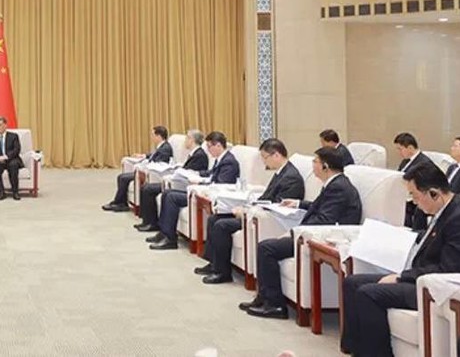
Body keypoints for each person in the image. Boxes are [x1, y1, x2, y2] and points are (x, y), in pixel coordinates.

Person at [340, 164, 460, 356]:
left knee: (368, 293)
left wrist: (401, 277)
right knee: (352, 282)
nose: (413, 202)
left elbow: (447, 270)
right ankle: (355, 349)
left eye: (414, 195)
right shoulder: (445, 211)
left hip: (440, 288)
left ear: (434, 193)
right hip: (423, 277)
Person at [242, 147, 363, 319]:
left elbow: (324, 220)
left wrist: (294, 233)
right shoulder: (335, 184)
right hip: (313, 233)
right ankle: (263, 298)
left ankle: (275, 305)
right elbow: (321, 207)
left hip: (323, 237)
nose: (313, 165)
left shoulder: (339, 187)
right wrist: (299, 203)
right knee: (266, 246)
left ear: (325, 166)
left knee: (266, 248)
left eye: (315, 161)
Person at [197, 138, 306, 284]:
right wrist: (248, 206)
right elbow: (266, 197)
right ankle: (214, 264)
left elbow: (278, 206)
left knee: (221, 226)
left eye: (265, 157)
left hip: (270, 220)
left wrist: (247, 212)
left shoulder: (291, 177)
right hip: (258, 212)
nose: (264, 161)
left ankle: (222, 272)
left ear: (276, 155)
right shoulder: (281, 173)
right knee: (214, 219)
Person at [147, 131, 240, 250]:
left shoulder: (229, 162)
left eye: (209, 147)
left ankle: (170, 239)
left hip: (212, 195)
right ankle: (165, 232)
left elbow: (220, 183)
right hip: (203, 190)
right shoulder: (221, 159)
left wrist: (200, 182)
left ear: (218, 145)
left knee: (171, 197)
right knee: (167, 193)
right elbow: (211, 173)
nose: (208, 150)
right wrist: (196, 173)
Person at [134, 130, 208, 228]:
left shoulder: (199, 155)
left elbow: (192, 173)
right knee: (146, 188)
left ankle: (152, 223)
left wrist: (178, 173)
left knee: (149, 190)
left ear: (192, 140)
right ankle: (148, 221)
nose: (185, 141)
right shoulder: (194, 153)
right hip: (179, 182)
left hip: (184, 185)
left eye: (187, 138)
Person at [102, 125, 173, 212]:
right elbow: (153, 155)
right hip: (144, 170)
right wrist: (143, 156)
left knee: (123, 178)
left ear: (158, 136)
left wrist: (145, 164)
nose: (151, 137)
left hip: (150, 173)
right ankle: (120, 202)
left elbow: (159, 162)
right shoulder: (161, 146)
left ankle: (120, 203)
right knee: (121, 177)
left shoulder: (165, 148)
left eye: (153, 135)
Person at [394, 132, 441, 229]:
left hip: (415, 199)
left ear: (410, 148)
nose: (398, 152)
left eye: (400, 149)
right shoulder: (405, 161)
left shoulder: (424, 163)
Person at [0, 116, 24, 201]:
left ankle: (15, 192)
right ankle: (1, 192)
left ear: (5, 126)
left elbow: (17, 149)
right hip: (0, 160)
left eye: (0, 125)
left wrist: (6, 156)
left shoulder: (14, 136)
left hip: (12, 159)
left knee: (13, 165)